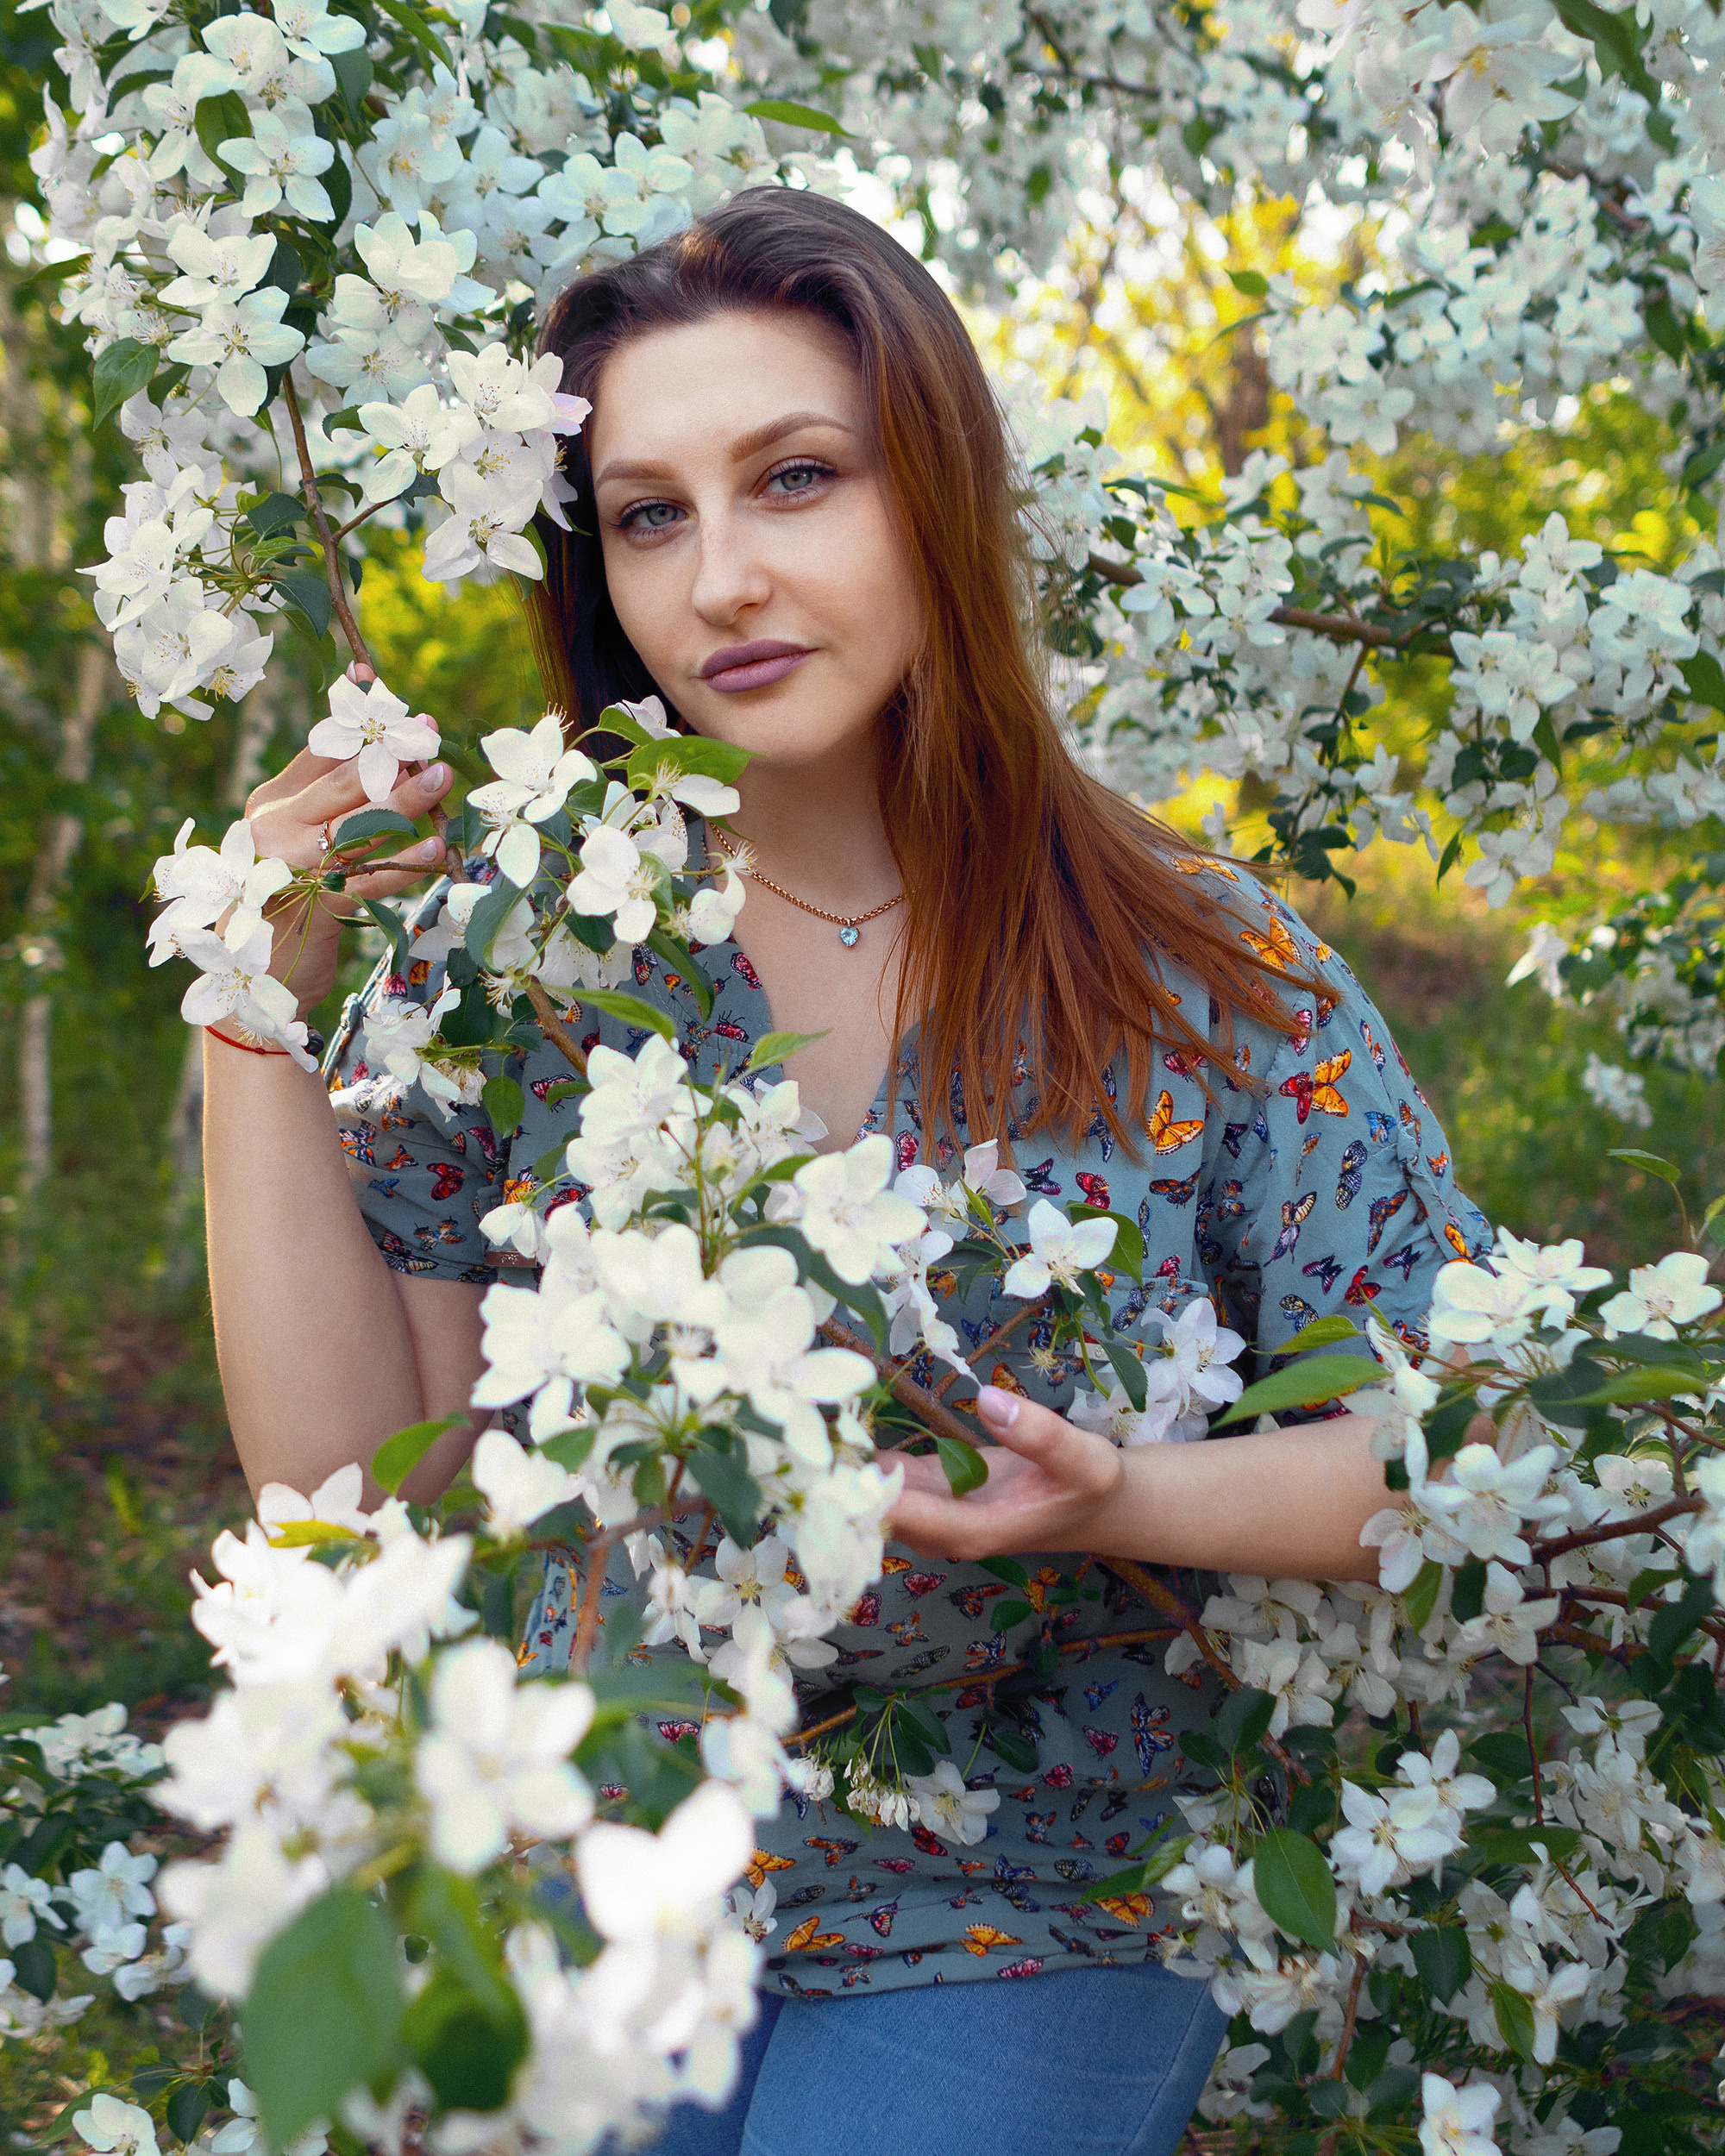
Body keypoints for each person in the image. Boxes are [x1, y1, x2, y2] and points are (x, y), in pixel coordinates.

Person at [204, 189, 1489, 2156]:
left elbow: (1443, 1443)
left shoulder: (1200, 967)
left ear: (938, 503)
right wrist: (252, 1019)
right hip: (599, 1871)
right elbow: (350, 1484)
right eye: (649, 513)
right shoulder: (532, 951)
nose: (723, 576)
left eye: (795, 477)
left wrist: (1118, 1496)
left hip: (1037, 1893)